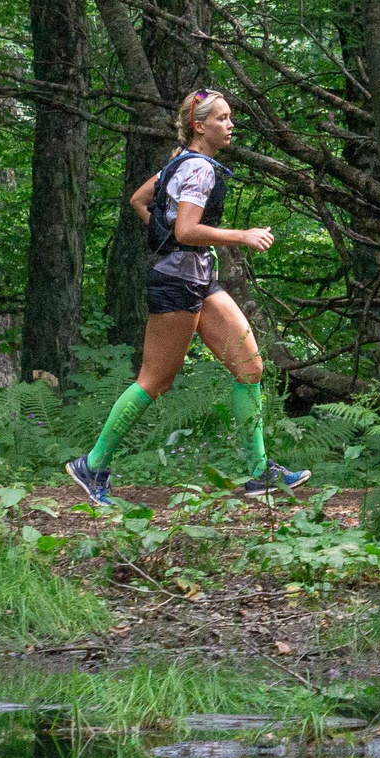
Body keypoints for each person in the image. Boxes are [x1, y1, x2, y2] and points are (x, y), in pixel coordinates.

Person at [67, 88, 310, 504]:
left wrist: (162, 236)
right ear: (200, 125)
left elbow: (140, 201)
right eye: (223, 118)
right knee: (155, 380)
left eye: (230, 118)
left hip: (200, 279)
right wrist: (239, 236)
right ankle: (92, 466)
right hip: (176, 284)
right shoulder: (198, 169)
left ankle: (259, 473)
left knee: (249, 366)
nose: (231, 125)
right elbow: (185, 230)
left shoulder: (180, 164)